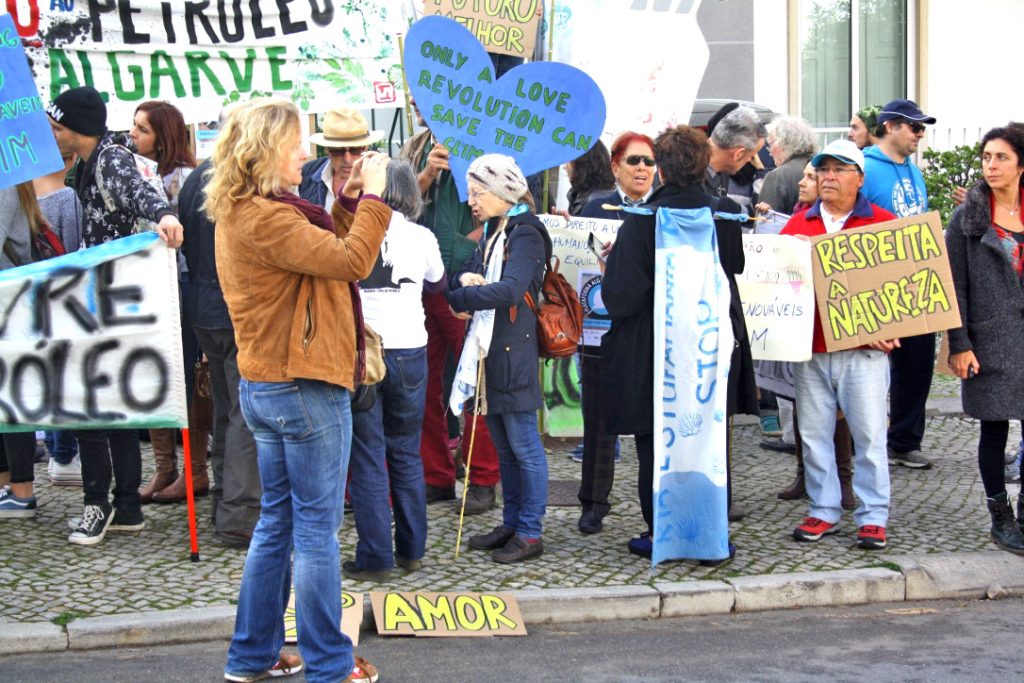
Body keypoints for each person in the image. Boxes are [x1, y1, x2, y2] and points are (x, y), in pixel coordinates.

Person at [208, 98, 387, 683]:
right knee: (314, 531)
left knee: (278, 525)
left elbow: (323, 247)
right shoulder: (269, 217)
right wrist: (379, 201)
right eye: (297, 144)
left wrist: (351, 198)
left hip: (269, 385)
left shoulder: (254, 211)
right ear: (267, 149)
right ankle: (330, 666)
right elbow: (352, 259)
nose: (307, 154)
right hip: (302, 386)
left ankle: (251, 658)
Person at [600, 125, 757, 561]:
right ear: (704, 164)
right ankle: (712, 530)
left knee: (656, 437)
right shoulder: (723, 212)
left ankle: (661, 531)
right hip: (709, 345)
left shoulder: (641, 220)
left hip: (654, 351)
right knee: (711, 434)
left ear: (662, 170)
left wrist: (611, 265)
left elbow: (621, 297)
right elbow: (735, 265)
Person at [46, 85, 184, 546]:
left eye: (58, 126)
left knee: (92, 412)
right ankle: (126, 506)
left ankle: (97, 505)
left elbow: (141, 193)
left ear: (80, 129)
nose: (53, 133)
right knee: (116, 409)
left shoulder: (109, 159)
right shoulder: (89, 161)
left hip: (112, 304)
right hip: (107, 302)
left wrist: (164, 215)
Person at [781, 139, 897, 551]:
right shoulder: (796, 226)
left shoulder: (884, 223)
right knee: (813, 435)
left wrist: (892, 322)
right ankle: (824, 509)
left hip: (864, 350)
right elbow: (778, 285)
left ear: (859, 178)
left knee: (868, 436)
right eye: (822, 169)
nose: (828, 177)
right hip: (810, 348)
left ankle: (873, 515)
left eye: (839, 169)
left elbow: (901, 286)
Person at [343, 160, 444, 581]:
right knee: (405, 451)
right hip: (410, 352)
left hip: (366, 352)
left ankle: (375, 556)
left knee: (367, 456)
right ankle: (412, 548)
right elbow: (437, 282)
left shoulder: (355, 231)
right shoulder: (422, 235)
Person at [448, 154, 551, 564]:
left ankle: (530, 530)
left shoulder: (525, 232)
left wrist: (461, 295)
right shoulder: (495, 228)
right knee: (503, 444)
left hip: (514, 350)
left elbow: (509, 290)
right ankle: (511, 522)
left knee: (524, 444)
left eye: (478, 192)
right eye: (471, 192)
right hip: (492, 349)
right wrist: (462, 281)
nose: (472, 200)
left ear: (503, 192)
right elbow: (468, 270)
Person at [400, 100, 500, 515]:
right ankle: (435, 475)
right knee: (421, 384)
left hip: (464, 282)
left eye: (422, 93)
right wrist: (425, 175)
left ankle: (482, 478)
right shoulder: (416, 145)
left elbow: (512, 201)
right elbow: (396, 207)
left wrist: (477, 236)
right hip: (419, 282)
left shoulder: (485, 142)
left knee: (474, 383)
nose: (414, 102)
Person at [179, 105, 262, 548]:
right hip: (234, 309)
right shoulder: (236, 178)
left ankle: (224, 505)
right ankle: (239, 516)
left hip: (207, 309)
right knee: (243, 414)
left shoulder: (197, 176)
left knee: (229, 411)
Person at [127, 100, 211, 506]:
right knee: (155, 376)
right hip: (149, 286)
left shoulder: (186, 178)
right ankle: (164, 468)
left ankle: (195, 471)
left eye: (142, 129)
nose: (133, 135)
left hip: (179, 285)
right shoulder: (136, 173)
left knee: (186, 381)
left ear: (163, 135)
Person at [945, 124, 1024, 555]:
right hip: (990, 341)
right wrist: (960, 343)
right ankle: (1001, 516)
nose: (991, 165)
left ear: (1020, 165)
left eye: (1001, 158)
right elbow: (953, 286)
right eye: (986, 157)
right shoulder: (969, 218)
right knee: (994, 432)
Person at [862, 99, 937, 471]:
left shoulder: (914, 171)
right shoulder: (863, 166)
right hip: (877, 279)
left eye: (922, 128)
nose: (920, 135)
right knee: (873, 364)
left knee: (917, 362)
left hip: (916, 280)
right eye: (914, 127)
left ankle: (905, 441)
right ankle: (869, 439)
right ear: (890, 126)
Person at [33, 152, 83, 487]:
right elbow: (77, 249)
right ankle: (63, 454)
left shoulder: (21, 194)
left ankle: (55, 448)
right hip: (61, 298)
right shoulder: (67, 197)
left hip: (31, 299)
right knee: (64, 374)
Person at [0, 184, 48, 518]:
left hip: (9, 301)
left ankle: (22, 489)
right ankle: (8, 485)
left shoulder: (4, 183)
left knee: (11, 396)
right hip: (9, 299)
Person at [298, 107, 384, 213]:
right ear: (327, 149)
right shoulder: (308, 173)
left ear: (365, 147)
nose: (347, 159)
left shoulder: (381, 178)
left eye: (355, 150)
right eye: (337, 151)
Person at [704, 104, 768, 215]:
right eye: (752, 155)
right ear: (739, 154)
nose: (750, 160)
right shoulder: (684, 172)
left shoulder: (721, 171)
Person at [579, 132, 657, 219]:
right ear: (615, 169)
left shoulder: (666, 212)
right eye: (633, 160)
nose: (642, 167)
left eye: (649, 161)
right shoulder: (596, 209)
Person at [757, 116, 818, 215]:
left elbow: (766, 225)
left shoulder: (777, 176)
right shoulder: (821, 168)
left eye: (771, 145)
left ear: (783, 143)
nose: (770, 152)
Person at [561, 140, 615, 216]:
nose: (564, 167)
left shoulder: (597, 203)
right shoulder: (578, 196)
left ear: (581, 163)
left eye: (568, 160)